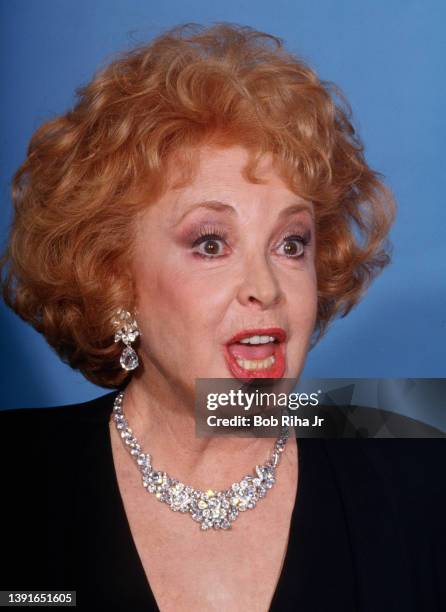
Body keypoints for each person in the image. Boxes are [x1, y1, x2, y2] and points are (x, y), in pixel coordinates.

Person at [0, 23, 444, 612]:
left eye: (291, 244)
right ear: (114, 279)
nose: (265, 288)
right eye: (211, 244)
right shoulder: (14, 476)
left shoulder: (418, 462)